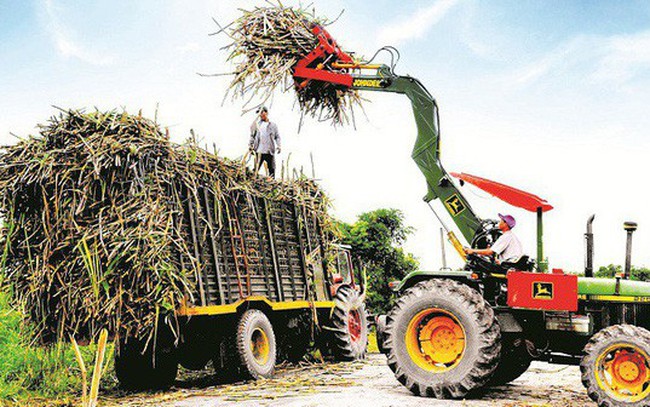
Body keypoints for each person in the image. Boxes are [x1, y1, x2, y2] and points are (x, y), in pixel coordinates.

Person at [249, 106, 280, 177]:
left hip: (269, 151)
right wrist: (250, 145)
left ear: (266, 113)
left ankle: (272, 185)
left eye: (262, 112)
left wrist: (279, 146)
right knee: (255, 170)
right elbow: (252, 136)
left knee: (272, 170)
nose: (260, 114)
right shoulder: (257, 125)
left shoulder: (273, 125)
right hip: (259, 151)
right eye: (259, 113)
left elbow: (277, 136)